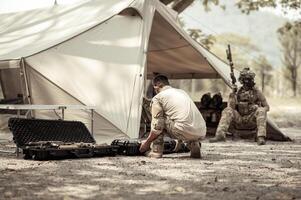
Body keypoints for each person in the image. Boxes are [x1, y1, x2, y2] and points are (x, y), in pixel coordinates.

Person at [139, 74, 206, 158]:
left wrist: (147, 142)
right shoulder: (182, 92)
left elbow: (157, 127)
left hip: (183, 129)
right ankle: (193, 144)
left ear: (156, 87)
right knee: (179, 119)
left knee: (159, 122)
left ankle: (156, 152)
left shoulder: (158, 98)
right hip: (201, 130)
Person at [209, 67, 269, 145]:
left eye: (250, 79)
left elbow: (267, 107)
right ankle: (220, 135)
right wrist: (232, 94)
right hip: (239, 119)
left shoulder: (257, 92)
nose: (249, 81)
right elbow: (231, 108)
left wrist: (258, 108)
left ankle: (261, 137)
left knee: (261, 110)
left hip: (251, 119)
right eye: (247, 79)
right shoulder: (237, 92)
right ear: (242, 80)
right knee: (227, 110)